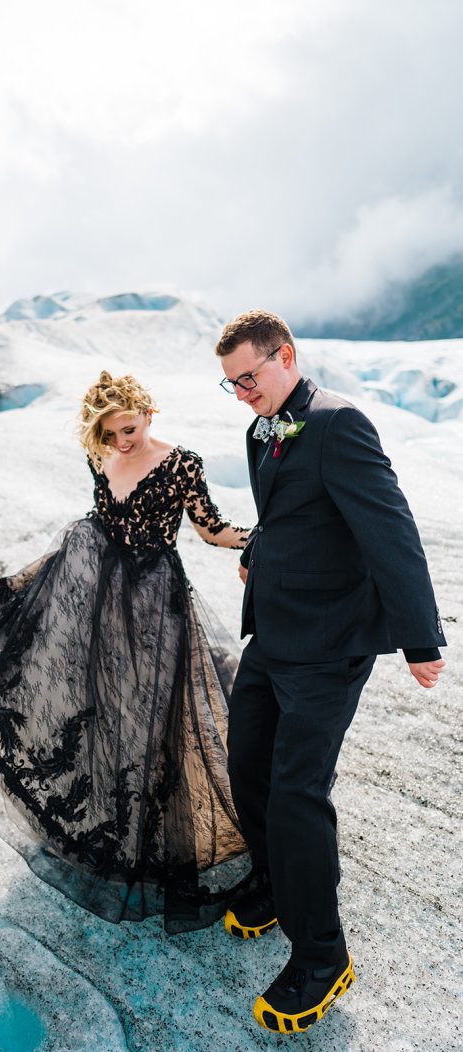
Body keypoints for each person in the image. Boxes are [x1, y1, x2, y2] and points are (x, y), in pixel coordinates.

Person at [0, 370, 252, 933]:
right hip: (97, 597)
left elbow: (209, 530)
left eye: (129, 430)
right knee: (96, 708)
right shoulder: (100, 453)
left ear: (149, 414)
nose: (121, 443)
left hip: (155, 602)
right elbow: (101, 519)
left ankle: (155, 839)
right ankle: (102, 825)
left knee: (154, 719)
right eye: (111, 434)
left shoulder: (182, 463)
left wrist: (255, 538)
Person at [215, 310, 446, 1034]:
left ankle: (322, 955)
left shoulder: (341, 424)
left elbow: (389, 528)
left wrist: (419, 638)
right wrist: (260, 556)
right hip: (274, 633)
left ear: (285, 357)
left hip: (329, 645)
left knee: (295, 793)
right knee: (246, 765)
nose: (243, 392)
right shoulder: (261, 430)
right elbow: (290, 516)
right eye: (231, 384)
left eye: (249, 377)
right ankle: (276, 884)